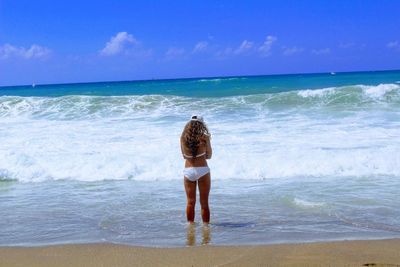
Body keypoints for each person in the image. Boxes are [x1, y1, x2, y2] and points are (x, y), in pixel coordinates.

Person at [180, 115, 212, 224]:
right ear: (201, 125)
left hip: (188, 171)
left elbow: (184, 156)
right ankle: (206, 228)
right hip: (202, 170)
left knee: (190, 202)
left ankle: (190, 227)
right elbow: (209, 156)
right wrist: (207, 142)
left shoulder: (183, 138)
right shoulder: (204, 137)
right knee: (204, 203)